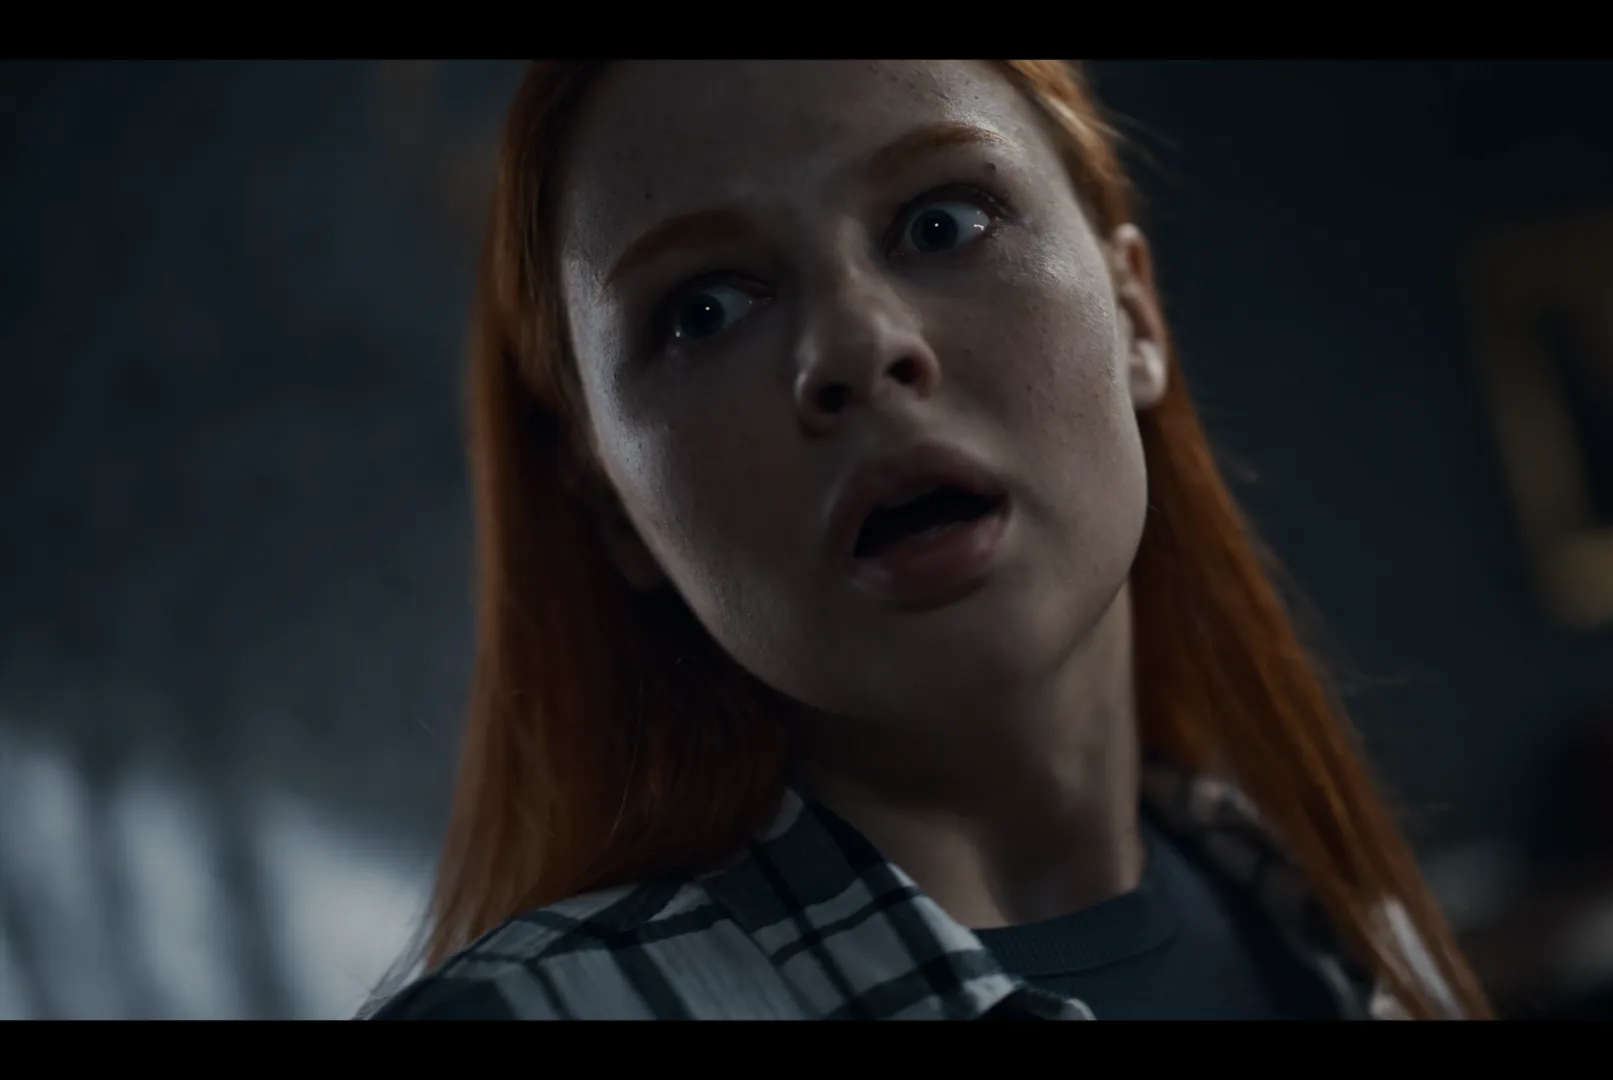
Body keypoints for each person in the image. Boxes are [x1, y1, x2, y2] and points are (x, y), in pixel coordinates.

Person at [364, 59, 1492, 1021]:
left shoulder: (1361, 940)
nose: (859, 345)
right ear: (614, 505)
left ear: (1135, 316)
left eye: (942, 223)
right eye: (705, 309)